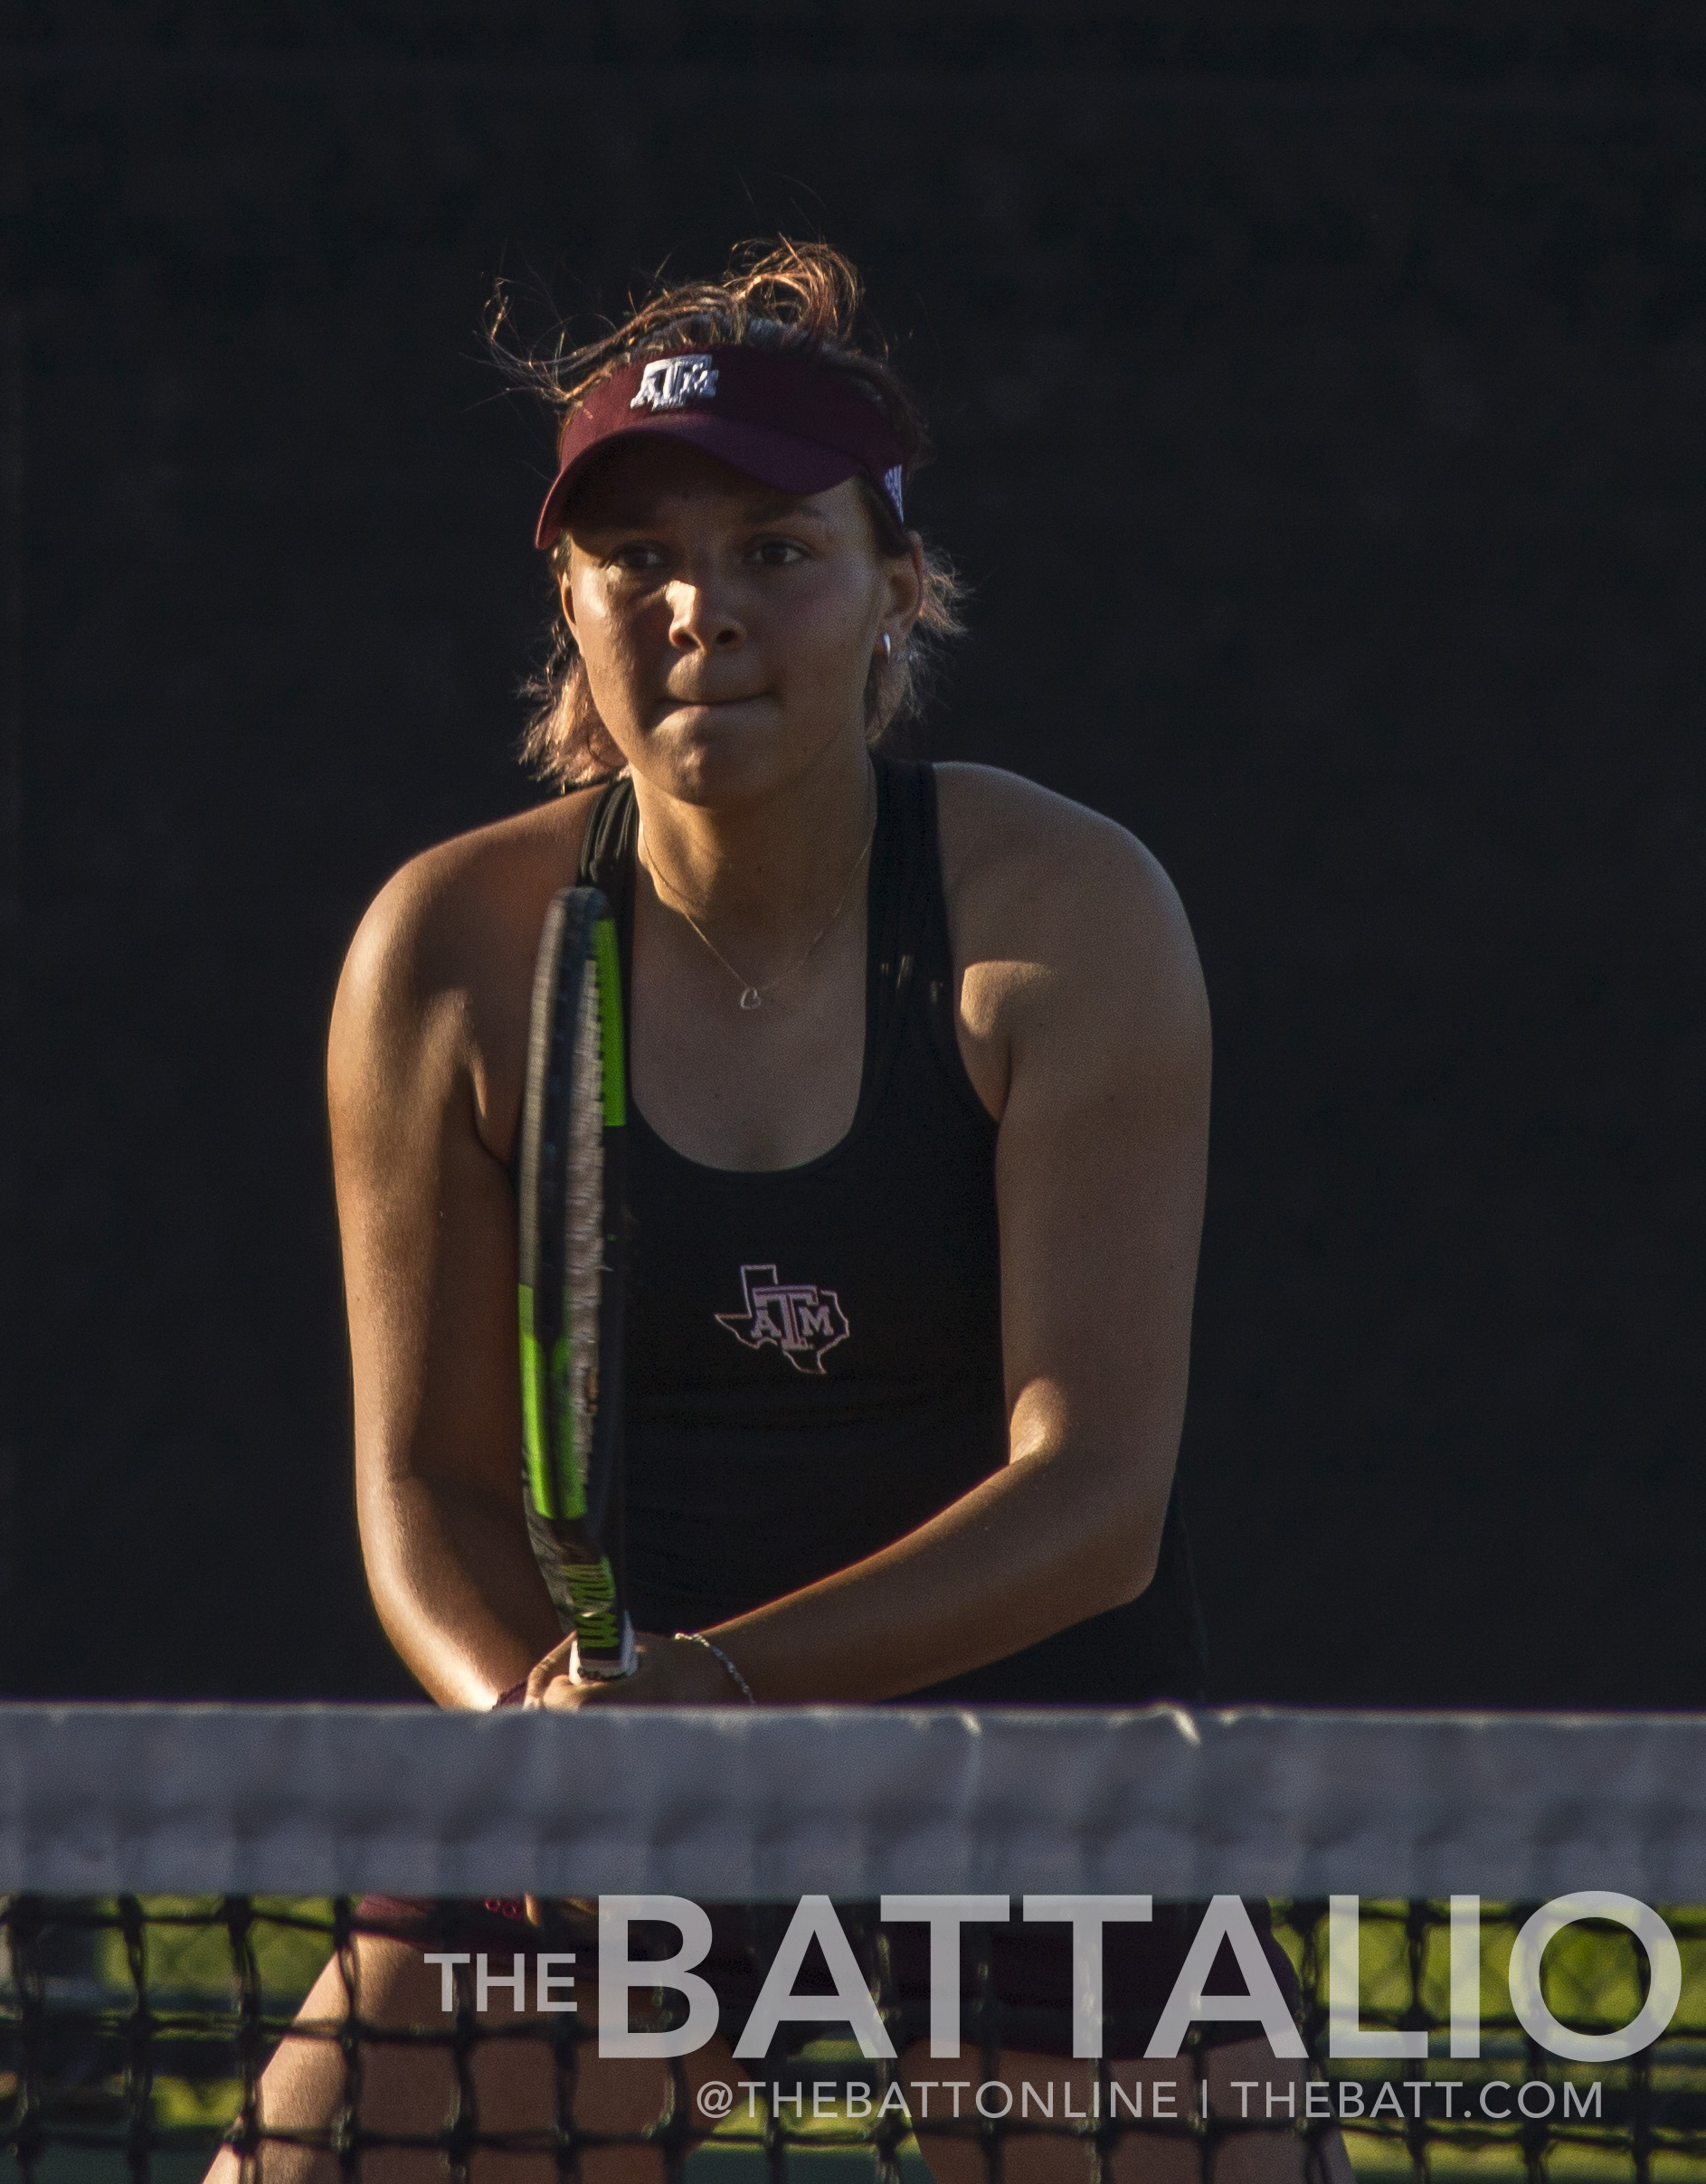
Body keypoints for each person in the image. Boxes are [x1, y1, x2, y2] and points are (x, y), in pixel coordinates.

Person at [208, 242, 1339, 2184]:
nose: (698, 609)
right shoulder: (446, 959)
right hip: (630, 1792)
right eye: (636, 558)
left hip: (1036, 1771)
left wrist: (723, 1690)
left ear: (896, 583)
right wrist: (558, 1732)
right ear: (563, 602)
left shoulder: (1061, 918)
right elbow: (429, 1495)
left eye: (771, 552)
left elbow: (1093, 1495)